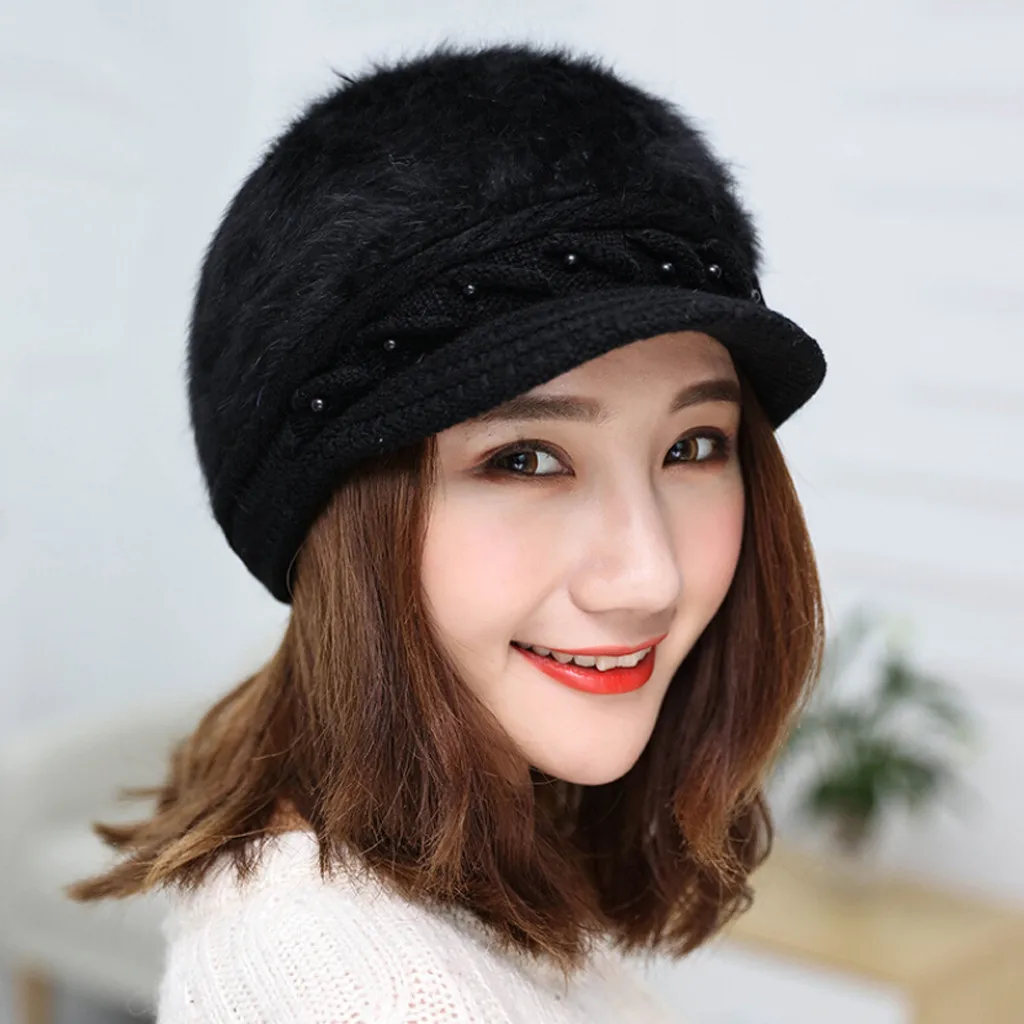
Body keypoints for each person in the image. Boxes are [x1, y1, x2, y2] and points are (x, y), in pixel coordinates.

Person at [67, 39, 827, 1022]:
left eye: (692, 447)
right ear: (339, 519)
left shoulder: (430, 884)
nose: (648, 575)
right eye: (526, 459)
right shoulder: (364, 988)